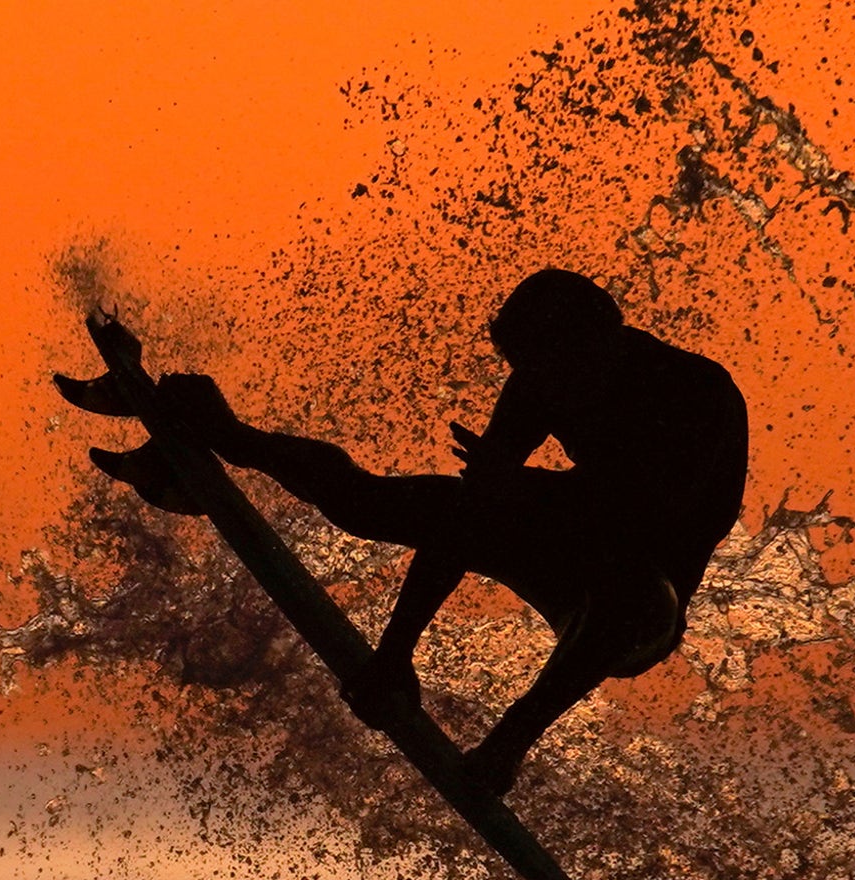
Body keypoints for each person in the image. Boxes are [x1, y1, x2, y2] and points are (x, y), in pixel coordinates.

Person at [157, 269, 748, 797]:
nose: (542, 388)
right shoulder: (542, 379)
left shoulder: (696, 393)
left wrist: (517, 487)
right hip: (561, 545)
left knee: (629, 595)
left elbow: (645, 517)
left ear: (599, 341)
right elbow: (468, 514)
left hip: (641, 608)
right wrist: (393, 656)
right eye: (526, 370)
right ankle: (233, 437)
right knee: (375, 502)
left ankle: (509, 743)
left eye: (552, 371)